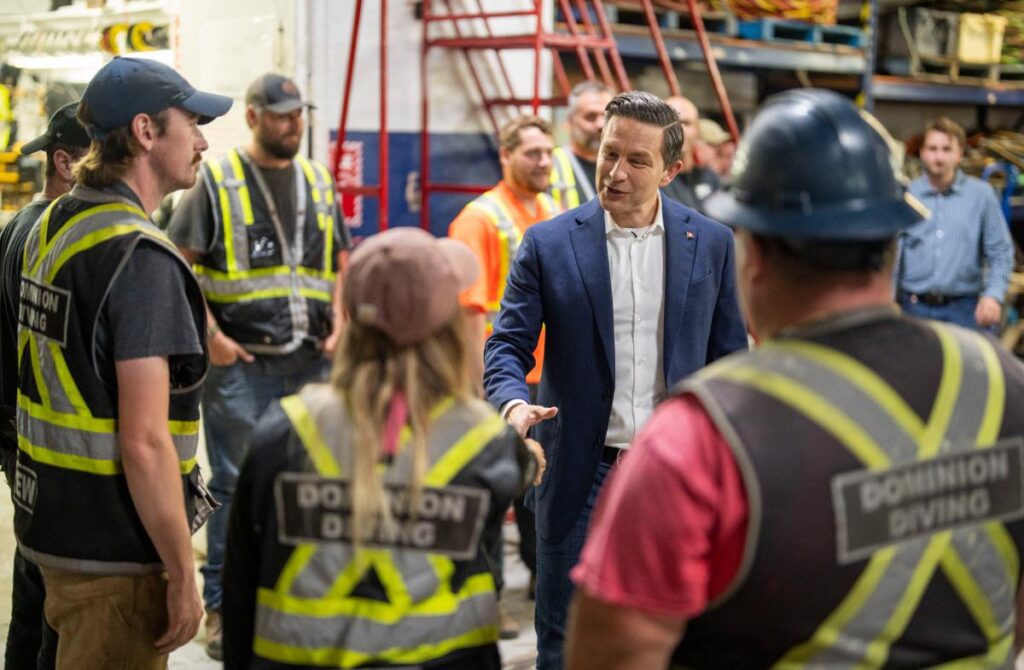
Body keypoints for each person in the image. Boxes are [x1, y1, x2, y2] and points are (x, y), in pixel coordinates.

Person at [565, 89, 1024, 669]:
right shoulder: (1001, 382)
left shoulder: (699, 438)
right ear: (892, 242)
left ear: (753, 255)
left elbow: (616, 655)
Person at [484, 90, 748, 669]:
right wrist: (513, 406)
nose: (616, 173)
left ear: (671, 171)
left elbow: (730, 358)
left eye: (637, 161)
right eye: (609, 153)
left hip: (674, 473)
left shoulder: (711, 243)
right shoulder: (550, 243)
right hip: (580, 472)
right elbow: (507, 344)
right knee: (563, 640)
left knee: (673, 636)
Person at [221, 227, 542, 669]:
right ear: (447, 327)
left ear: (350, 319)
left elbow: (240, 589)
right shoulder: (485, 441)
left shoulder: (283, 430)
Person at [13, 57, 231, 668]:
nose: (203, 141)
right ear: (145, 131)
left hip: (55, 528)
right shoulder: (139, 257)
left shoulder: (56, 223)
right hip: (115, 555)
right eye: (193, 123)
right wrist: (182, 571)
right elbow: (144, 441)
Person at [166, 71, 352, 659]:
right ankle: (224, 608)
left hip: (312, 363)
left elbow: (341, 260)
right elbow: (177, 264)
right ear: (252, 117)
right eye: (281, 115)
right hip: (241, 367)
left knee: (311, 484)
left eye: (298, 114)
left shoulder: (318, 180)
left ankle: (299, 599)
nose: (293, 124)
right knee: (236, 486)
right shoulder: (216, 180)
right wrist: (211, 335)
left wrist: (342, 322)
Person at [448, 114, 556, 635]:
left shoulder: (550, 210)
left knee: (537, 485)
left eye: (548, 152)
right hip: (501, 378)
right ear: (506, 156)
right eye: (532, 153)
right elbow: (471, 315)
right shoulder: (480, 218)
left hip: (545, 378)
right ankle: (483, 601)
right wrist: (479, 392)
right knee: (490, 492)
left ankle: (542, 582)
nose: (544, 162)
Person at [0, 100, 90, 670]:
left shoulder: (20, 226)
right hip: (42, 442)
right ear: (63, 162)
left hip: (22, 436)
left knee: (33, 596)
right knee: (57, 609)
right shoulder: (51, 235)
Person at [897, 116, 1014, 330]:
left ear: (959, 153)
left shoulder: (981, 196)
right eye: (932, 149)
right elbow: (893, 255)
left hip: (964, 311)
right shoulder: (906, 196)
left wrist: (993, 296)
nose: (939, 157)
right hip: (913, 308)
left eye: (946, 149)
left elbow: (1001, 252)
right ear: (922, 152)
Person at [549, 80, 613, 211]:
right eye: (590, 117)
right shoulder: (549, 164)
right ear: (570, 121)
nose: (600, 125)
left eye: (607, 117)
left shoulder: (623, 166)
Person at [662, 95, 720, 212]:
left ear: (697, 130)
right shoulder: (654, 181)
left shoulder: (710, 177)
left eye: (686, 123)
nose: (679, 129)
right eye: (671, 122)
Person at [695, 117, 735, 183]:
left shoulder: (710, 176)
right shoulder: (683, 177)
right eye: (712, 145)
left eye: (718, 146)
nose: (717, 152)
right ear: (696, 142)